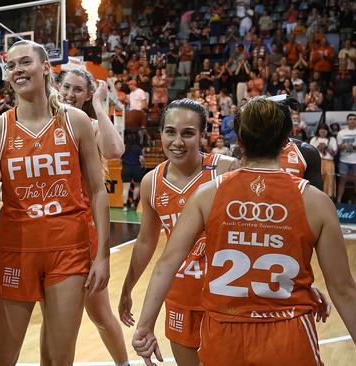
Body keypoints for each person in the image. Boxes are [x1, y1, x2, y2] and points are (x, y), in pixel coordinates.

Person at [132, 97, 355, 366]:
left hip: (223, 332)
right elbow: (343, 290)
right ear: (287, 141)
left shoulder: (207, 195)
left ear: (239, 139)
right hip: (287, 328)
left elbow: (166, 264)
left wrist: (144, 325)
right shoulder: (316, 202)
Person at [0, 40, 110, 365]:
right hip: (16, 250)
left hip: (68, 251)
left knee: (58, 358)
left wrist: (103, 255)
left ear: (45, 68)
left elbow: (97, 191)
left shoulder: (76, 121)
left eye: (24, 62)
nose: (17, 70)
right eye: (11, 65)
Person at [119, 99, 239, 366]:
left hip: (225, 296)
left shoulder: (227, 170)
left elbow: (260, 233)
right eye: (170, 132)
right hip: (180, 295)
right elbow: (146, 242)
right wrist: (127, 288)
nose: (177, 142)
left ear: (202, 135)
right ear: (160, 133)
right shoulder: (152, 181)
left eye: (187, 133)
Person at [57, 68, 127, 364]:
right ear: (57, 87)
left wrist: (100, 105)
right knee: (55, 319)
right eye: (67, 88)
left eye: (78, 90)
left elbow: (115, 150)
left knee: (99, 313)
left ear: (86, 95)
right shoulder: (42, 121)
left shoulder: (89, 125)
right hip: (49, 229)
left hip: (82, 228)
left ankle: (123, 363)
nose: (70, 94)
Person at [309, 124, 337, 199]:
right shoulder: (314, 139)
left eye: (325, 129)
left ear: (327, 131)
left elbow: (334, 153)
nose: (323, 131)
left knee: (329, 180)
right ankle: (316, 198)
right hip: (317, 161)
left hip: (329, 162)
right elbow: (310, 153)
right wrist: (319, 148)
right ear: (318, 130)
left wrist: (326, 147)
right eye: (321, 129)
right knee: (317, 179)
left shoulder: (332, 139)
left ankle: (329, 198)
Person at [336, 114, 356, 203]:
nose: (352, 121)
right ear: (347, 121)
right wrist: (344, 146)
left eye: (354, 119)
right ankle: (339, 201)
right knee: (342, 181)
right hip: (344, 160)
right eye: (350, 119)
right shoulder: (341, 133)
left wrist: (349, 146)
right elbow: (339, 147)